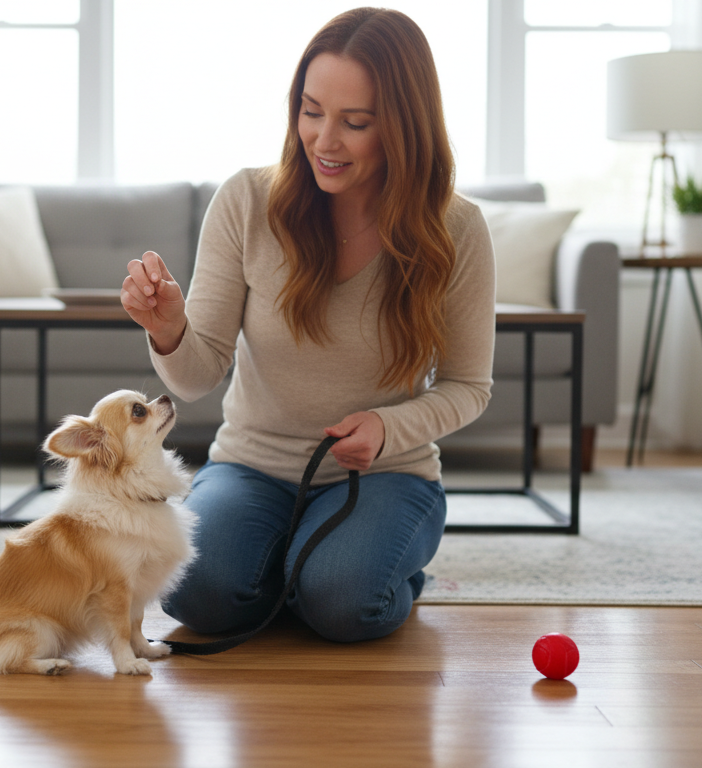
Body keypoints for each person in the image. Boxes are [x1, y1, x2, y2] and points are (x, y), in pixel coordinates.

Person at [120, 7, 495, 643]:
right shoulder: (246, 201)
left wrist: (387, 427)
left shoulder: (455, 230)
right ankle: (296, 565)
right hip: (251, 468)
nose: (324, 140)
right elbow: (196, 376)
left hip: (385, 475)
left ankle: (348, 569)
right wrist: (169, 330)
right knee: (196, 596)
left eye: (356, 122)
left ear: (404, 126)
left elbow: (468, 386)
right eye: (311, 110)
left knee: (344, 603)